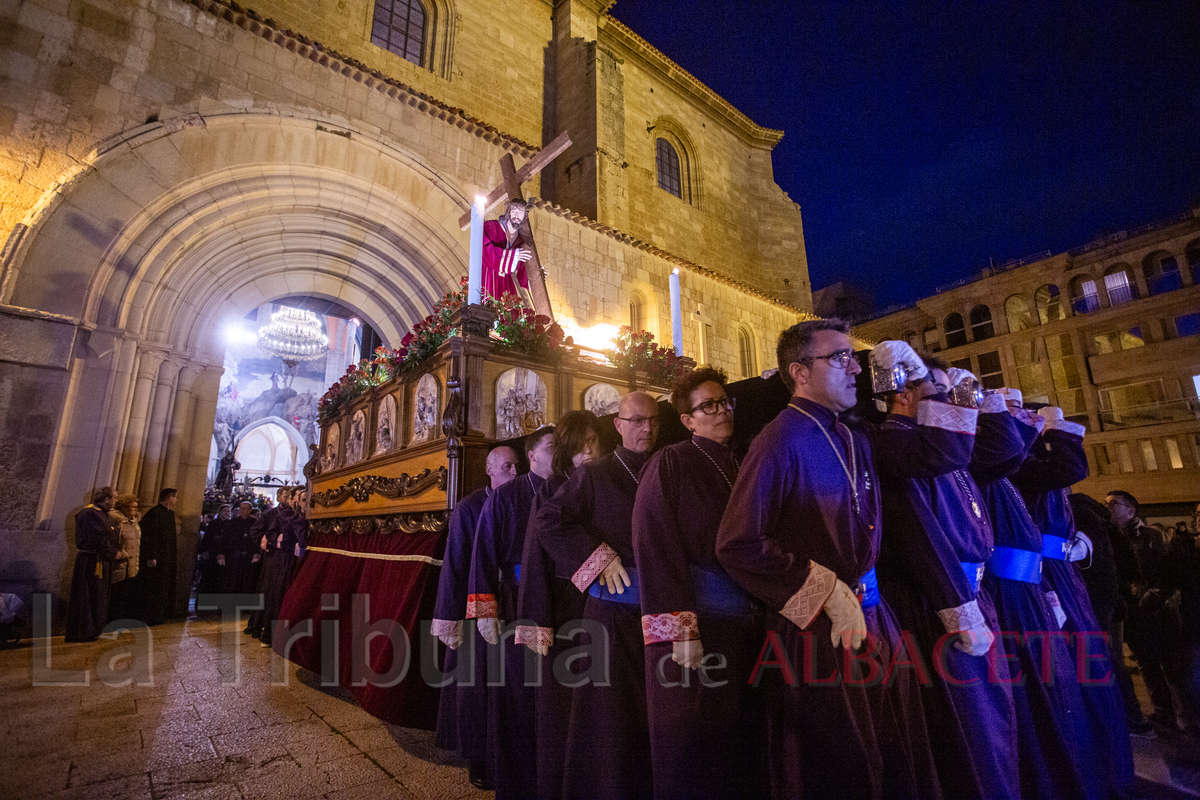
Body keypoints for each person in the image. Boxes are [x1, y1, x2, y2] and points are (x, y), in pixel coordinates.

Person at [717, 323, 974, 800]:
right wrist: (829, 593)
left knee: (897, 751)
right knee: (842, 766)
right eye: (839, 358)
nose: (856, 367)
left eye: (853, 357)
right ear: (799, 373)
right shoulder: (778, 440)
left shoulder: (857, 439)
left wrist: (922, 381)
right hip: (819, 635)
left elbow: (944, 449)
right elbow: (738, 543)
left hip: (878, 621)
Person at [874, 359, 1022, 800]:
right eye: (935, 392)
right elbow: (920, 534)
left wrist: (985, 401)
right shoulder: (900, 446)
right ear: (904, 394)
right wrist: (959, 610)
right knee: (969, 736)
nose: (947, 403)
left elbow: (1006, 449)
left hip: (973, 597)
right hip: (936, 610)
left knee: (994, 727)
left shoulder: (935, 445)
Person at [633, 368, 767, 799]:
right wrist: (679, 630)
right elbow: (655, 547)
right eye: (708, 405)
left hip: (749, 625)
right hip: (701, 626)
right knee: (697, 742)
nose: (721, 410)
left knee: (744, 738)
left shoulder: (743, 460)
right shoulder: (670, 462)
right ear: (688, 420)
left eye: (725, 402)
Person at [535, 391, 660, 800]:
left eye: (653, 421)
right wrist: (597, 558)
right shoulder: (597, 474)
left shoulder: (667, 466)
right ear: (619, 426)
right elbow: (550, 522)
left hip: (661, 612)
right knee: (611, 724)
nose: (647, 429)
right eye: (637, 421)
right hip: (613, 617)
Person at [1012, 405, 1133, 796]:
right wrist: (1054, 428)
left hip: (1065, 582)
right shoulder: (1014, 466)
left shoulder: (1037, 471)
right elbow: (1067, 469)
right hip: (1043, 581)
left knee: (1090, 673)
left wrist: (1079, 545)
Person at [975, 389, 1088, 797]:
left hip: (1031, 588)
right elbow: (1064, 465)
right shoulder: (997, 465)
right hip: (1008, 596)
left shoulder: (1012, 467)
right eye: (1011, 411)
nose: (1023, 418)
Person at [516, 410, 604, 800]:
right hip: (565, 608)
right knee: (563, 709)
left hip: (605, 608)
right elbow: (536, 557)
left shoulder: (609, 481)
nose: (588, 450)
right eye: (579, 443)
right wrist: (536, 619)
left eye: (593, 441)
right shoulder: (550, 491)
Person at [469, 426, 555, 800]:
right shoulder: (505, 497)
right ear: (532, 454)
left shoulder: (569, 490)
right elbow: (483, 556)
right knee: (517, 694)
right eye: (553, 448)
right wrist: (486, 611)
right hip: (516, 600)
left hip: (557, 604)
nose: (560, 454)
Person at [431, 445, 519, 790]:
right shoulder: (469, 508)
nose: (514, 473)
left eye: (517, 467)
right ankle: (478, 756)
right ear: (489, 469)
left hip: (511, 607)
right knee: (477, 687)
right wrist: (450, 616)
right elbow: (455, 565)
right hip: (475, 609)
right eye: (507, 467)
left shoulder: (521, 500)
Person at [1108, 489, 1182, 729]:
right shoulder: (1112, 539)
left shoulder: (1153, 536)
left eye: (1113, 504)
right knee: (1146, 664)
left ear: (1131, 509)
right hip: (1133, 614)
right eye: (1106, 504)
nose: (1108, 508)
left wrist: (1152, 597)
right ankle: (1163, 712)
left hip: (1159, 611)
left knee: (1171, 664)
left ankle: (1185, 716)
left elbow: (1169, 575)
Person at [66, 487, 120, 642]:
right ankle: (84, 630)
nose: (116, 501)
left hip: (100, 560)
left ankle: (94, 629)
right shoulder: (90, 513)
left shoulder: (102, 513)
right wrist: (113, 553)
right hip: (91, 561)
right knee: (88, 595)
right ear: (107, 499)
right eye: (114, 498)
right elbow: (98, 538)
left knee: (98, 595)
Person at [255, 487, 299, 647]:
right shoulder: (278, 516)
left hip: (293, 562)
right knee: (274, 596)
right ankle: (268, 632)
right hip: (278, 561)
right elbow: (267, 534)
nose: (293, 501)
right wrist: (272, 542)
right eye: (293, 498)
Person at [137, 487, 179, 626]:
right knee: (154, 586)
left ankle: (161, 614)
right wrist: (151, 555)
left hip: (167, 557)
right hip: (157, 557)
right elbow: (151, 536)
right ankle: (149, 615)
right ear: (168, 497)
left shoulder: (170, 514)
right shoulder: (154, 513)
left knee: (164, 586)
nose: (176, 500)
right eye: (174, 497)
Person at [482, 200, 533, 304]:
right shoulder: (490, 227)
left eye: (520, 212)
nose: (516, 214)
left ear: (525, 216)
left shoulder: (520, 241)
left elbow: (522, 271)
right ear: (508, 212)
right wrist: (513, 256)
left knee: (507, 315)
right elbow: (484, 251)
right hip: (488, 281)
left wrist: (537, 274)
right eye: (514, 210)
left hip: (506, 287)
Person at [108, 494, 141, 622]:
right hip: (119, 563)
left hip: (131, 564)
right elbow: (112, 541)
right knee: (115, 595)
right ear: (124, 507)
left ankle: (120, 620)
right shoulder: (116, 520)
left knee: (125, 596)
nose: (135, 510)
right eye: (133, 507)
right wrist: (121, 554)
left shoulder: (134, 522)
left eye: (136, 507)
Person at [220, 501, 259, 594]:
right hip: (233, 556)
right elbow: (224, 539)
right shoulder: (232, 523)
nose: (241, 510)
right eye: (240, 508)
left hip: (248, 557)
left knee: (246, 582)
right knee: (231, 582)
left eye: (244, 508)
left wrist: (256, 553)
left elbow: (257, 539)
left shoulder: (255, 523)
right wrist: (221, 554)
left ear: (250, 510)